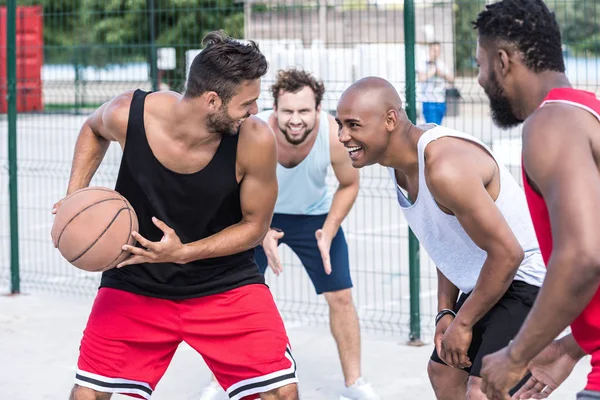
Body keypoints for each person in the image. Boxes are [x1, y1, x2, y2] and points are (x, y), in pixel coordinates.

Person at [51, 30, 299, 400]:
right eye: (247, 103)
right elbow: (92, 128)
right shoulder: (129, 114)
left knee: (281, 393)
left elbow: (254, 227)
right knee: (89, 395)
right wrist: (75, 195)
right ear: (212, 100)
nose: (255, 112)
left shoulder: (255, 139)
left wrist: (184, 252)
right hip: (136, 280)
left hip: (224, 283)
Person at [336, 76, 547, 400]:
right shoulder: (398, 164)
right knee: (443, 371)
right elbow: (446, 241)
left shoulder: (443, 166)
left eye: (353, 125)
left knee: (484, 388)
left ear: (390, 119)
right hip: (493, 279)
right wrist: (445, 311)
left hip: (528, 279)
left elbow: (509, 254)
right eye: (340, 125)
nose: (342, 136)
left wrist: (463, 324)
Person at [198, 68, 380, 400]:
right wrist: (259, 228)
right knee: (231, 293)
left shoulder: (332, 137)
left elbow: (349, 184)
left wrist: (329, 230)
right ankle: (218, 379)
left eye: (304, 111)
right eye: (288, 111)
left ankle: (354, 383)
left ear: (318, 111)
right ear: (275, 110)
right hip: (257, 215)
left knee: (341, 296)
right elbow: (229, 187)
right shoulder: (253, 132)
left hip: (314, 218)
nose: (295, 119)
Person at [472, 1, 600, 399]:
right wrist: (571, 346)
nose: (478, 78)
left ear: (503, 61)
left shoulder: (551, 124)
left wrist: (515, 353)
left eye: (480, 65)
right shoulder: (586, 112)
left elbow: (583, 257)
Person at [418, 42, 455, 125]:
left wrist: (441, 74)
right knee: (432, 128)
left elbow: (452, 79)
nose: (436, 53)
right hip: (429, 101)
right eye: (434, 50)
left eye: (438, 51)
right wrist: (432, 72)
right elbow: (421, 78)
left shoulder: (442, 64)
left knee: (438, 127)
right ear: (429, 51)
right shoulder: (423, 64)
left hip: (441, 101)